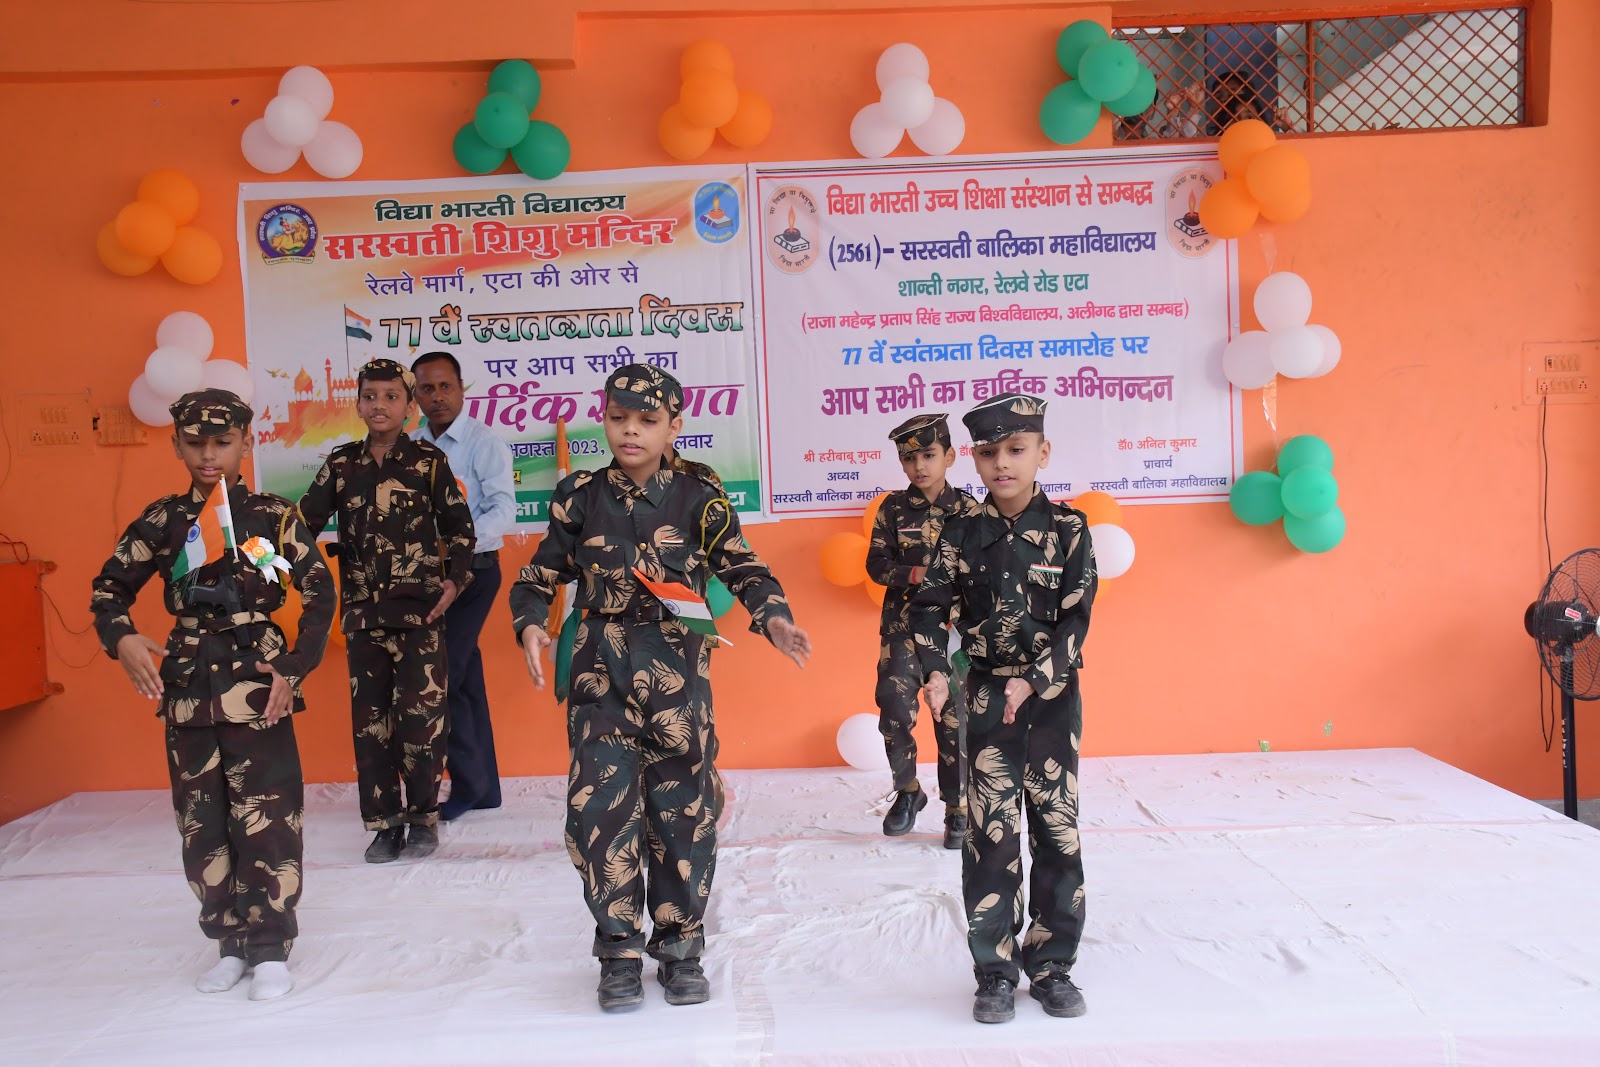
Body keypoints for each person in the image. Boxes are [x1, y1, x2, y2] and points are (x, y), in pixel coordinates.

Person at [510, 364, 812, 1012]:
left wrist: (774, 616)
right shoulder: (580, 496)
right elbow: (537, 575)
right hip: (599, 677)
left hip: (677, 679)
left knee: (683, 811)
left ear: (674, 425)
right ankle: (618, 949)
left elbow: (742, 563)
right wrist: (532, 625)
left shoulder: (698, 497)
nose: (630, 431)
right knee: (601, 811)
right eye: (619, 418)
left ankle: (680, 945)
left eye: (646, 420)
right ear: (605, 417)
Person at [90, 388, 335, 1001]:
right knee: (203, 823)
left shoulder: (273, 519)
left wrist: (295, 670)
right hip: (189, 689)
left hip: (260, 687)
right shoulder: (163, 520)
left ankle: (271, 944)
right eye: (195, 443)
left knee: (270, 818)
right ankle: (229, 941)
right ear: (176, 445)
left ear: (246, 444)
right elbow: (108, 590)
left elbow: (318, 594)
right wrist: (122, 641)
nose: (208, 455)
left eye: (222, 442)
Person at [912, 392, 1097, 1025]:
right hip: (987, 696)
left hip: (1050, 700)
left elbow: (1077, 615)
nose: (1001, 464)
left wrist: (1039, 678)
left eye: (1016, 450)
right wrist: (937, 667)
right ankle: (994, 970)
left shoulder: (1069, 530)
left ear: (1043, 452)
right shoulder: (959, 532)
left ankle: (1051, 967)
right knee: (991, 834)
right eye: (988, 453)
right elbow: (930, 606)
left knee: (1056, 830)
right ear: (974, 457)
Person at [298, 358, 476, 863]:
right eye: (370, 396)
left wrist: (453, 581)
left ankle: (422, 818)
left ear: (409, 405)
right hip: (361, 616)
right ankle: (383, 824)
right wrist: (269, 569)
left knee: (421, 721)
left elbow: (461, 532)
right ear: (357, 404)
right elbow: (301, 528)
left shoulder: (427, 462)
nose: (380, 405)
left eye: (391, 397)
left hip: (420, 616)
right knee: (371, 726)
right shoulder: (341, 464)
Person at [412, 351, 517, 822]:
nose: (437, 397)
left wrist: (457, 545)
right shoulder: (408, 445)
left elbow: (502, 509)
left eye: (445, 387)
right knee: (465, 677)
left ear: (461, 388)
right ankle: (485, 788)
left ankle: (467, 786)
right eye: (426, 389)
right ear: (415, 394)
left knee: (443, 674)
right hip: (428, 579)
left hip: (474, 572)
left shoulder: (482, 442)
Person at [866, 412, 977, 846]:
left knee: (955, 723)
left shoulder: (970, 509)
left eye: (929, 455)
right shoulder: (892, 508)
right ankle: (909, 792)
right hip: (903, 628)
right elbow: (876, 565)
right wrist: (917, 574)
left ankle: (958, 809)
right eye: (908, 458)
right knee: (893, 708)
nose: (919, 467)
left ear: (949, 456)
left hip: (953, 633)